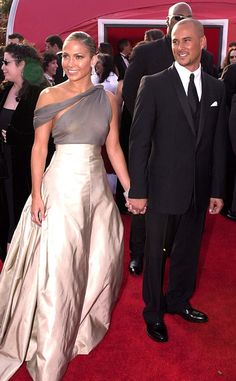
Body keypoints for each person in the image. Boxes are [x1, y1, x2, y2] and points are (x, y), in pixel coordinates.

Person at [0, 31, 130, 380]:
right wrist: (38, 195)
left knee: (100, 260)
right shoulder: (48, 96)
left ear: (93, 60)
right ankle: (49, 353)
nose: (71, 63)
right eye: (67, 57)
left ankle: (79, 323)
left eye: (79, 57)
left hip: (96, 194)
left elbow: (114, 148)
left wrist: (131, 189)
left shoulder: (108, 100)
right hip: (59, 187)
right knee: (58, 270)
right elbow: (39, 149)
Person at [127, 18, 227, 343]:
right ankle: (153, 313)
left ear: (202, 43)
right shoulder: (153, 84)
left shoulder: (216, 87)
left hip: (198, 189)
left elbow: (218, 143)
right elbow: (138, 141)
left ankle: (179, 300)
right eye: (174, 41)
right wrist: (137, 190)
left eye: (186, 40)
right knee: (155, 255)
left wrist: (216, 189)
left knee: (188, 250)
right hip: (161, 187)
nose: (180, 47)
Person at [123, 1, 217, 276]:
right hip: (152, 143)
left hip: (187, 148)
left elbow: (206, 99)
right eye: (175, 17)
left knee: (183, 207)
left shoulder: (206, 58)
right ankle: (138, 254)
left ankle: (173, 255)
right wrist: (151, 127)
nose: (179, 21)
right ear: (166, 22)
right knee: (145, 203)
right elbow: (130, 93)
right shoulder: (146, 52)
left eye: (185, 18)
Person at [0, 43, 50, 260]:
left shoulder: (39, 94)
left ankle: (22, 260)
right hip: (4, 165)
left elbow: (46, 136)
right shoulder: (4, 90)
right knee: (5, 213)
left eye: (6, 62)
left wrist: (13, 136)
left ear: (21, 64)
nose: (3, 66)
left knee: (19, 212)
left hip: (25, 169)